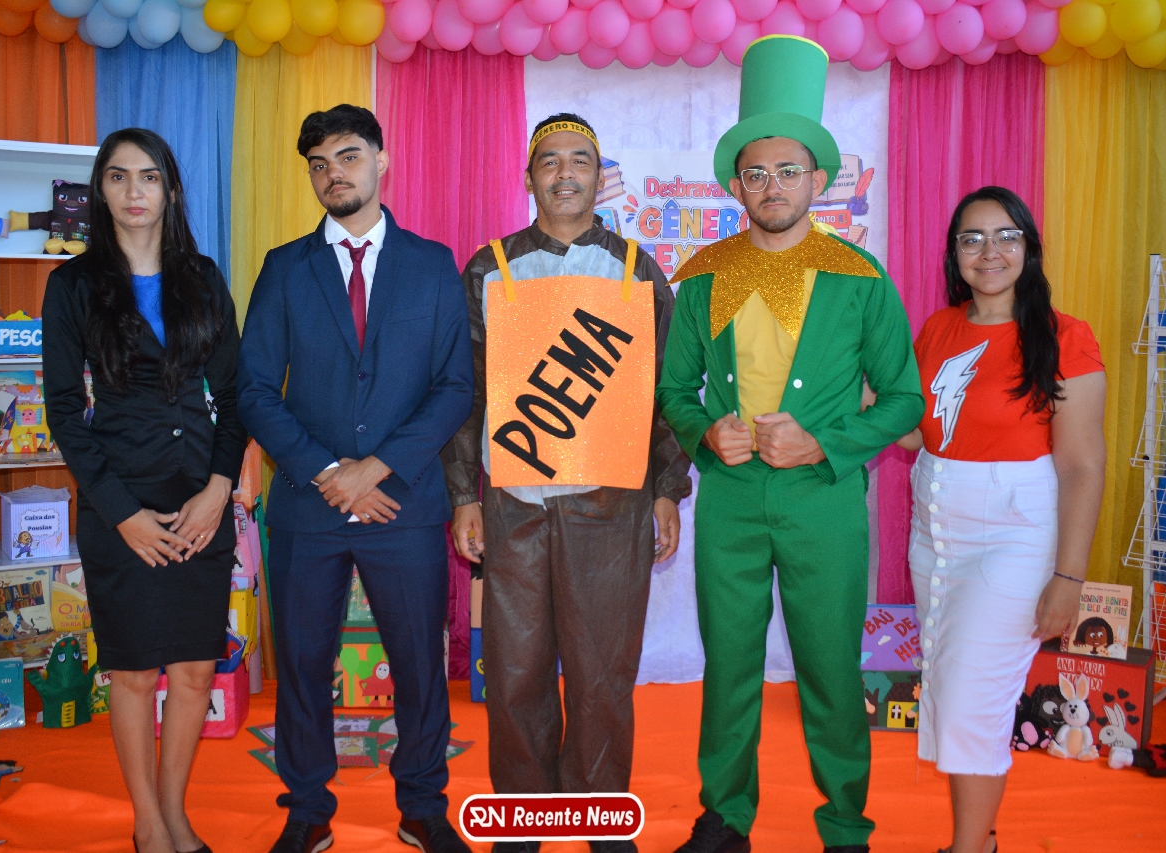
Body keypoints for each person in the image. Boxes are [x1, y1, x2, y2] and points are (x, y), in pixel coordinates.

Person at [655, 36, 924, 853]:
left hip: (824, 504)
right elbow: (673, 393)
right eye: (756, 172)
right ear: (737, 184)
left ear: (817, 179)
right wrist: (706, 432)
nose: (772, 185)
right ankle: (724, 815)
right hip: (733, 502)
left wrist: (824, 444)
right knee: (730, 665)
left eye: (788, 170)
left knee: (830, 668)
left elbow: (906, 400)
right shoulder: (702, 275)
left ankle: (844, 824)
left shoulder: (860, 278)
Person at [443, 112, 692, 853]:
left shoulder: (637, 270)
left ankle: (600, 818)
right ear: (529, 178)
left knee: (601, 675)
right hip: (513, 503)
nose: (564, 173)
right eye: (549, 161)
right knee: (515, 674)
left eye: (579, 159)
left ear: (598, 174)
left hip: (611, 504)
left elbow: (667, 389)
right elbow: (464, 391)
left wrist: (667, 487)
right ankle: (524, 820)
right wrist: (463, 495)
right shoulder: (489, 268)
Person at [237, 104, 474, 853]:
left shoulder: (432, 264)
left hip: (403, 503)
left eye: (347, 156)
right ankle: (307, 810)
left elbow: (455, 386)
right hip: (308, 508)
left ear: (381, 160)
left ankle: (422, 807)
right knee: (302, 667)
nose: (332, 174)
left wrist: (378, 467)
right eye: (318, 164)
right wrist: (326, 470)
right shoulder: (284, 268)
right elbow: (253, 390)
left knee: (419, 667)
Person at [43, 128, 247, 853]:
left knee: (194, 670)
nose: (135, 191)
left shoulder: (203, 277)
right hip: (119, 504)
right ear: (101, 190)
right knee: (130, 674)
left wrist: (219, 488)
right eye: (119, 176)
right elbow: (64, 411)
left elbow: (236, 395)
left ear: (170, 190)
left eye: (149, 176)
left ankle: (175, 814)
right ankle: (147, 826)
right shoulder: (72, 286)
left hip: (199, 502)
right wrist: (122, 514)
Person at [895, 186, 1106, 853]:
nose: (989, 252)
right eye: (972, 238)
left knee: (970, 698)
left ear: (1028, 247)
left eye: (1005, 236)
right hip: (935, 528)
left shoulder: (1066, 337)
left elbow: (1082, 467)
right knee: (953, 687)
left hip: (1014, 536)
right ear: (954, 253)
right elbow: (919, 431)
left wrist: (1068, 577)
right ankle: (976, 840)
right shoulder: (939, 328)